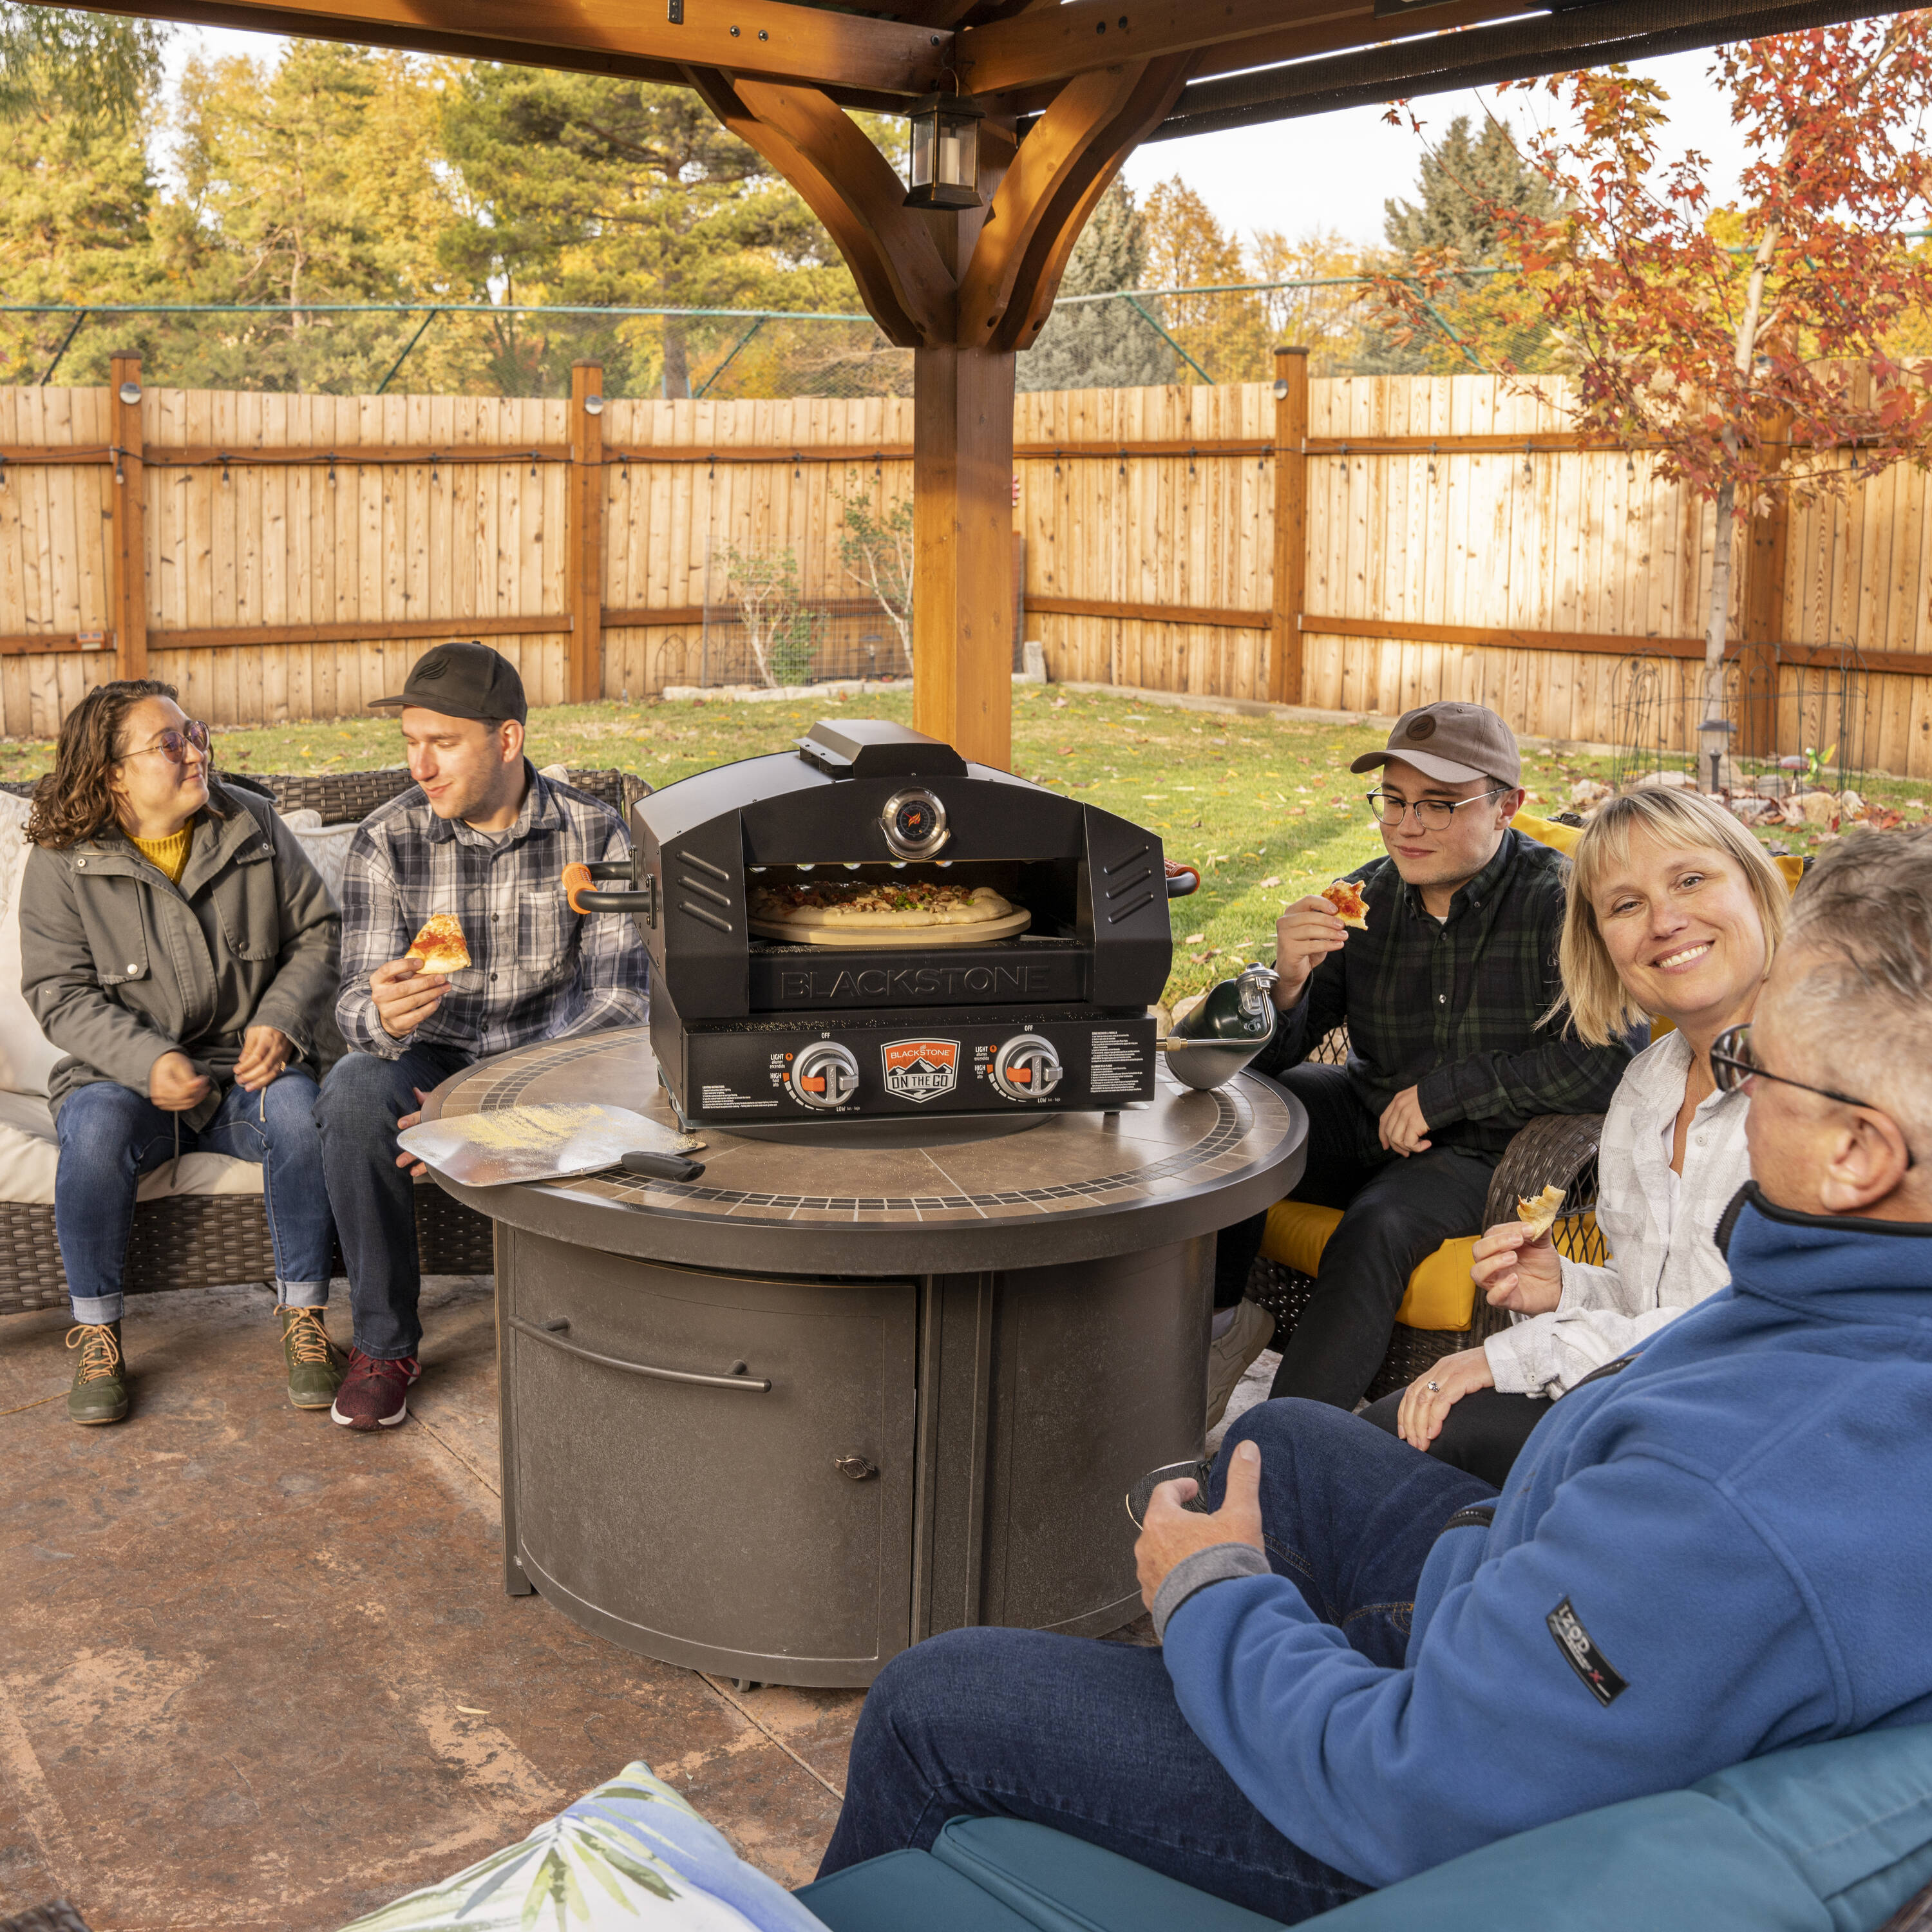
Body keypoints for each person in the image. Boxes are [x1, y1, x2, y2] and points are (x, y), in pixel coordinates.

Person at [818, 828, 1932, 1924]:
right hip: (1532, 1615)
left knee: (934, 1696)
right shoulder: (1847, 1295)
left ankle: (1237, 1701)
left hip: (1430, 1812)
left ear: (1856, 1153)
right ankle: (1258, 1682)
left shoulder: (1737, 1494)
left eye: (1754, 1064)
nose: (1730, 1072)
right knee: (1284, 1443)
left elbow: (1419, 1788)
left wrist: (1212, 1593)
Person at [1209, 701, 1633, 1421]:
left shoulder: (1563, 906)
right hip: (1375, 1114)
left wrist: (1447, 1094)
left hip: (1491, 1151)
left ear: (1507, 808)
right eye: (1395, 802)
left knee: (1378, 1225)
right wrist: (1285, 983)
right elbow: (1268, 1057)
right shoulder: (1367, 896)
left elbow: (1611, 1062)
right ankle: (1221, 1324)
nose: (1407, 826)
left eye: (1439, 807)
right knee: (1243, 1116)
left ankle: (1278, 1456)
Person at [1363, 788, 1790, 1484]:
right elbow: (1657, 1298)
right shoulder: (1650, 1083)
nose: (1665, 921)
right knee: (1346, 1449)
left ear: (1754, 882)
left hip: (1753, 1447)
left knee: (1371, 1458)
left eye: (1690, 880)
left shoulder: (1821, 1086)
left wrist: (1508, 1358)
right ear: (1600, 944)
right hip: (1648, 1403)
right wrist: (1565, 1286)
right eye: (1625, 905)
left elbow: (1744, 1337)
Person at [316, 641, 649, 1433]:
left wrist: (493, 1102)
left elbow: (621, 1004)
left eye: (442, 743)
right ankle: (384, 1345)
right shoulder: (386, 840)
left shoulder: (596, 838)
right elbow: (356, 1003)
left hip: (559, 1061)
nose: (420, 768)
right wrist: (381, 1012)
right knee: (354, 1093)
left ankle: (601, 1333)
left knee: (634, 1094)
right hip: (433, 1056)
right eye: (410, 745)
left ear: (507, 740)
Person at [19, 679, 343, 1425]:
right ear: (112, 773)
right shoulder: (63, 860)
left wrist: (282, 1019)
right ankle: (97, 1334)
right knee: (93, 1133)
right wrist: (145, 1061)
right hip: (120, 1079)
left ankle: (306, 1320)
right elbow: (59, 993)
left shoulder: (251, 822)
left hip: (245, 1067)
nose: (196, 752)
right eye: (170, 744)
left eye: (193, 733)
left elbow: (318, 932)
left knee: (299, 1113)